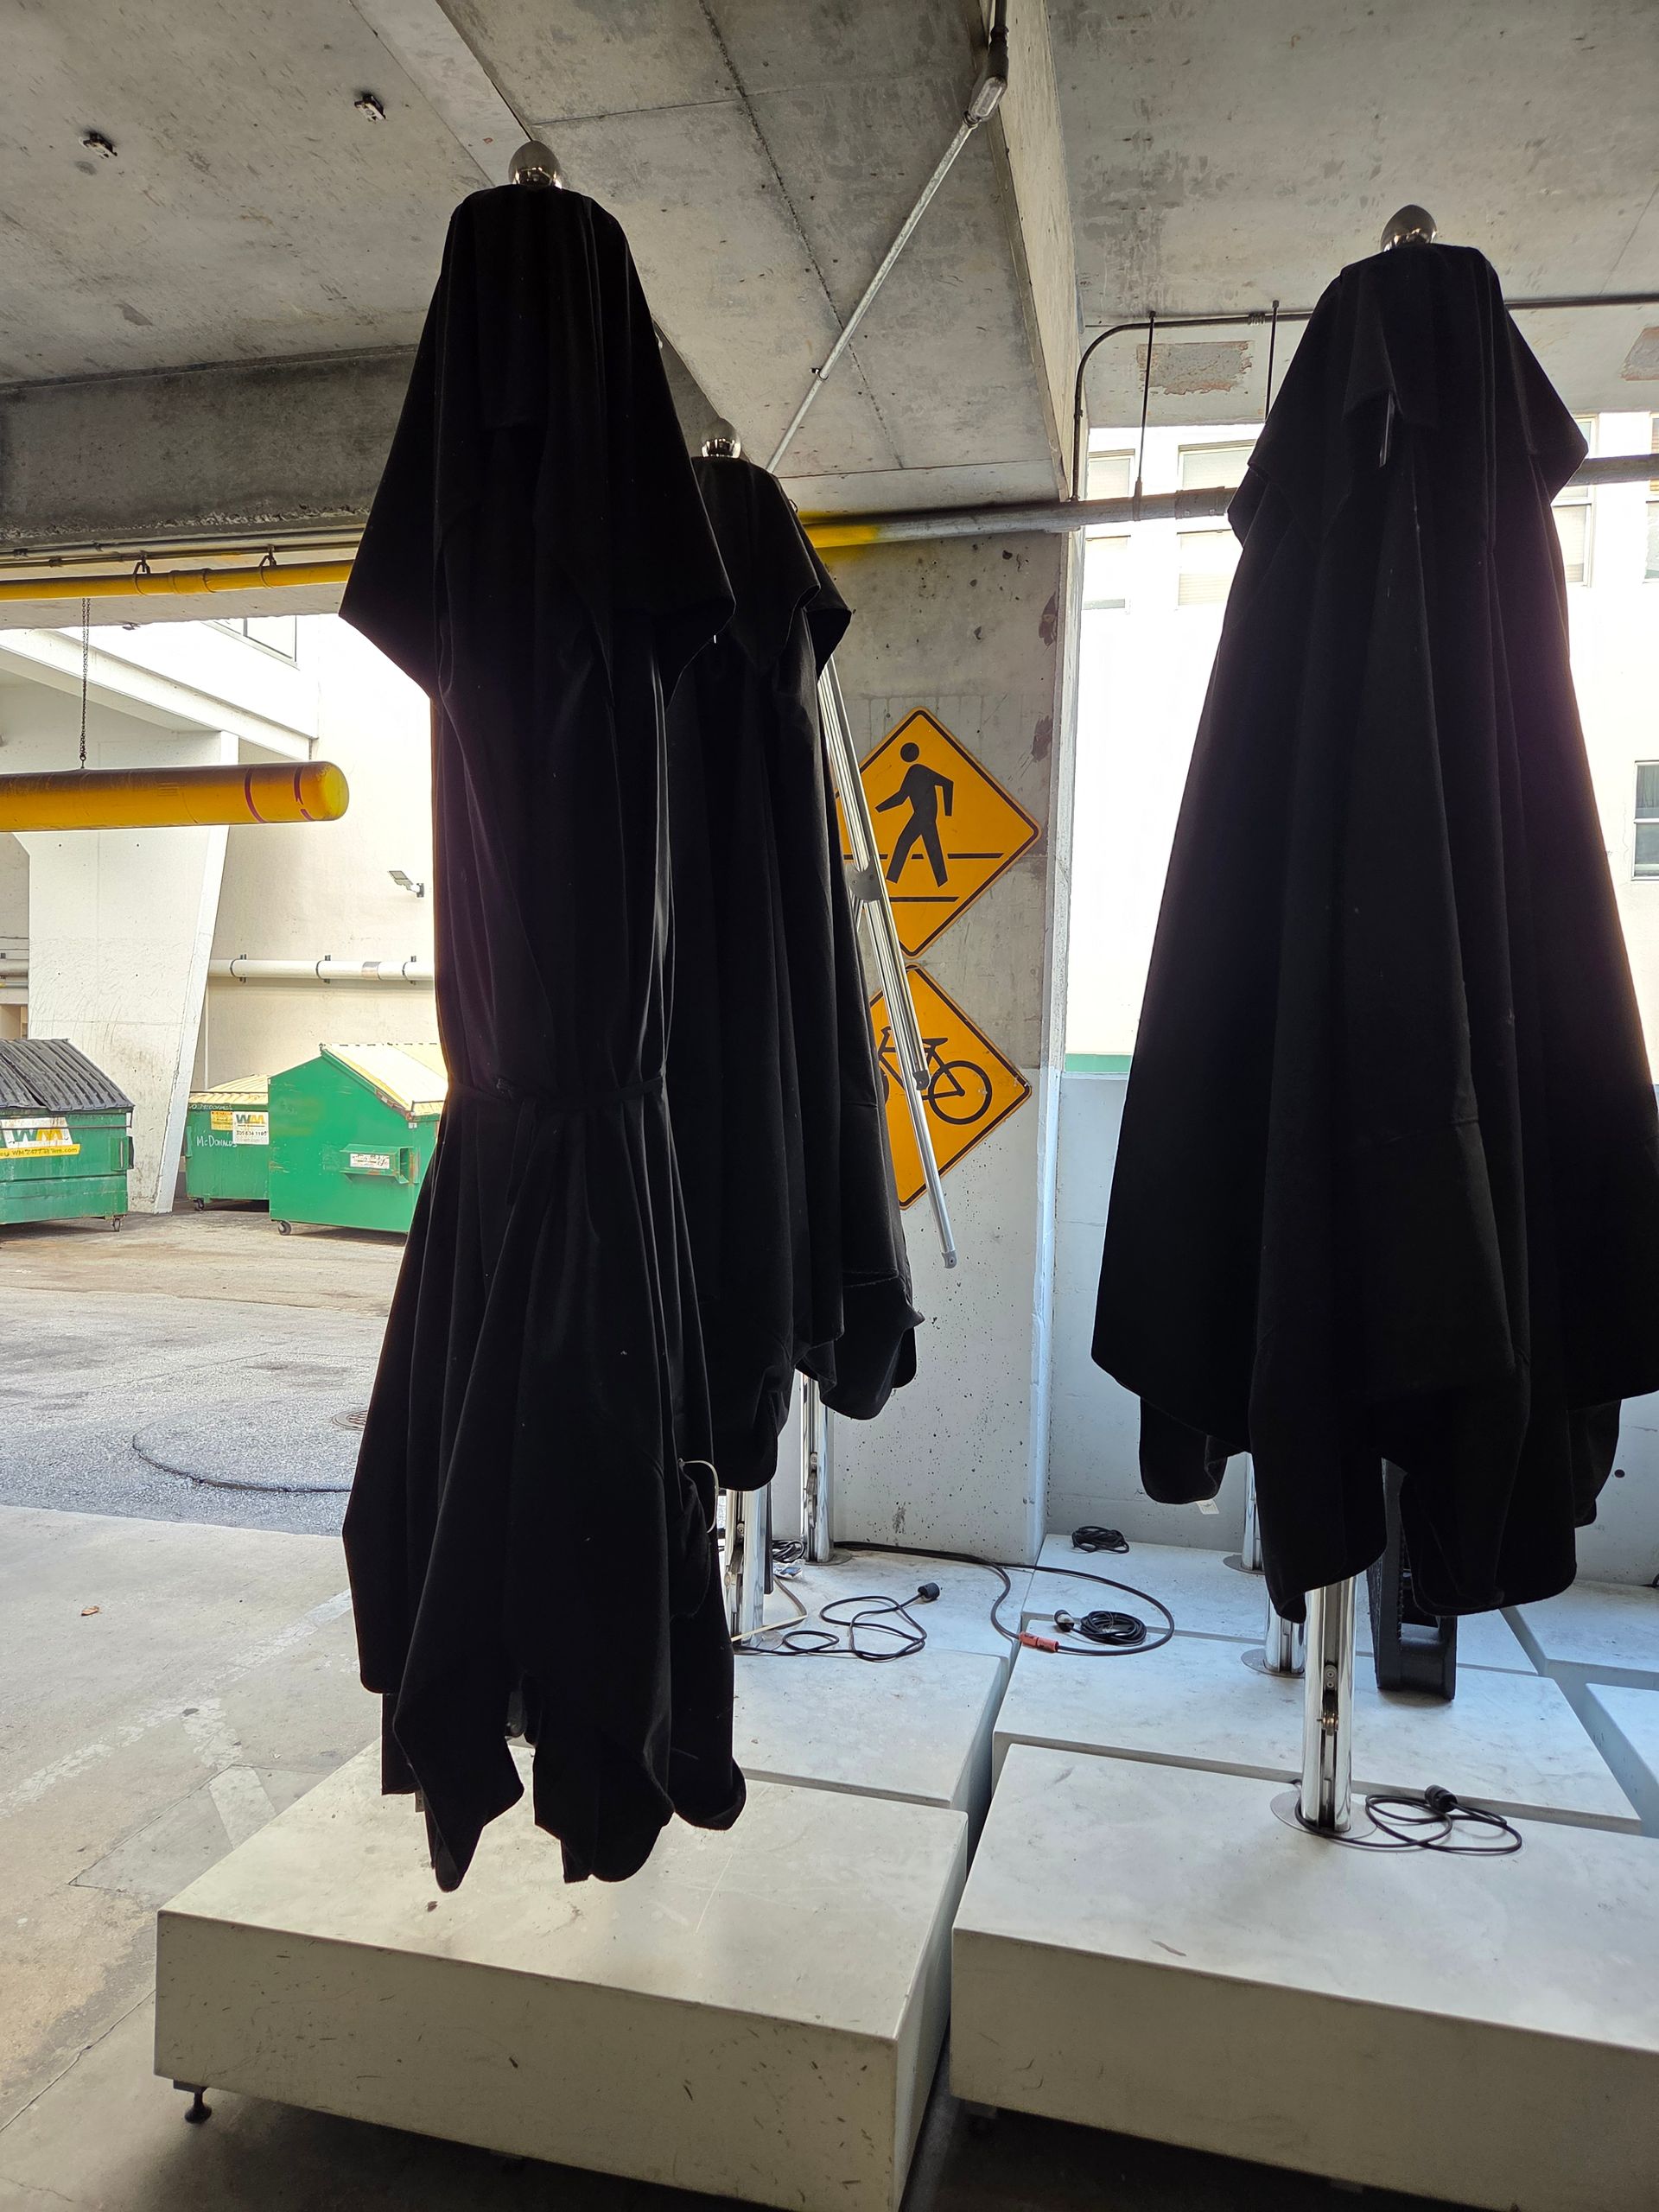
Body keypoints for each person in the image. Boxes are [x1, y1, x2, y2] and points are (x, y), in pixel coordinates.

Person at [879, 741, 953, 886]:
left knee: (904, 842)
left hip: (925, 814)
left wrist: (948, 812)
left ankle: (891, 880)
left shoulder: (918, 770)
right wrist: (877, 809)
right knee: (932, 847)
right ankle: (943, 882)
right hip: (925, 814)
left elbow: (948, 784)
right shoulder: (915, 771)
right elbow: (901, 798)